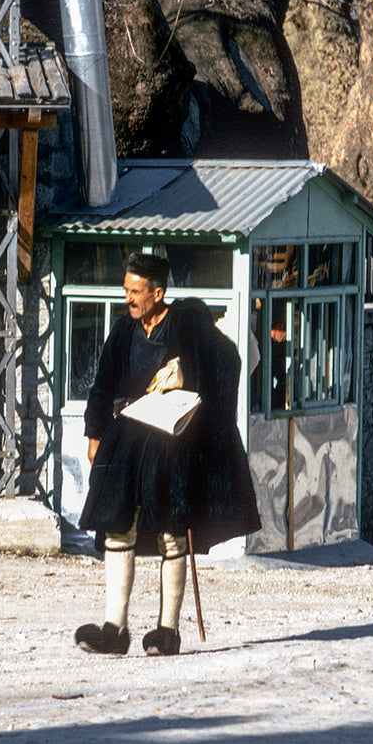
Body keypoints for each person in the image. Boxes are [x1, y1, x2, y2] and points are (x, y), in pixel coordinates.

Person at [74, 253, 259, 656]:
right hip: (127, 439)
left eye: (136, 292)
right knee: (117, 526)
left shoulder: (187, 321)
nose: (129, 299)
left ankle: (167, 631)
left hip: (172, 443)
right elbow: (102, 383)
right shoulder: (124, 331)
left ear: (158, 293)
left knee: (171, 532)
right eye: (125, 291)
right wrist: (94, 434)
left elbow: (226, 362)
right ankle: (114, 629)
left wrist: (185, 375)